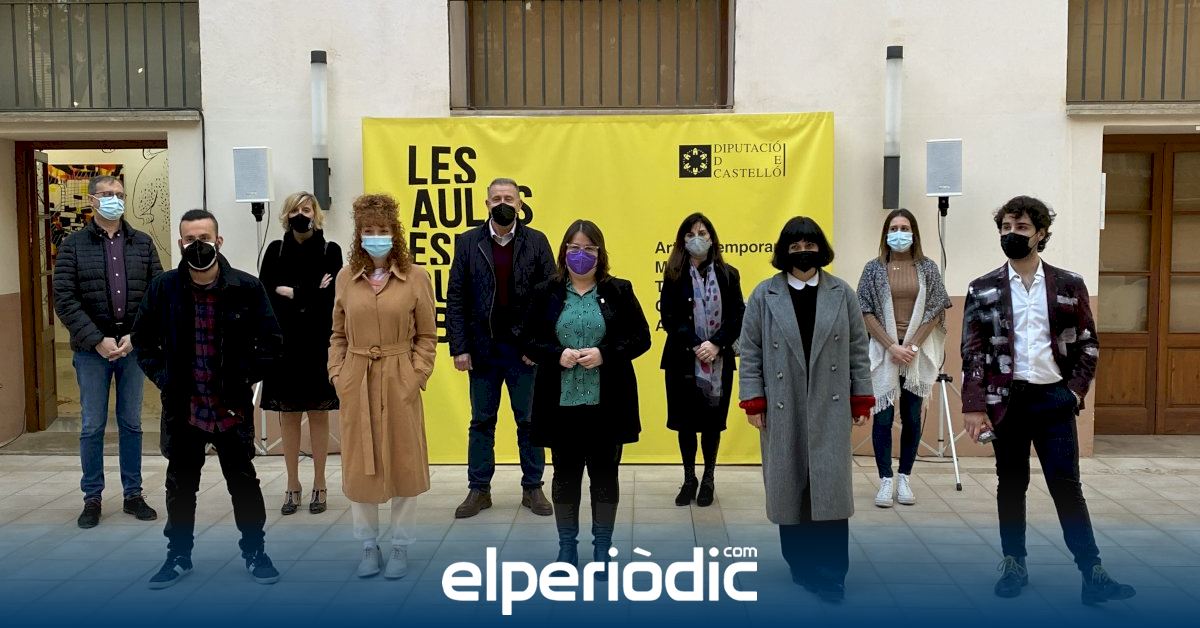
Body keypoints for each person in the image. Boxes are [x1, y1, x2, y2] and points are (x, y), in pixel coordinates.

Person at [961, 196, 1136, 605]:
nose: (1012, 234)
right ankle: (1014, 564)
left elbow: (1088, 343)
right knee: (1011, 484)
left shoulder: (1069, 285)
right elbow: (973, 350)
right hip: (1006, 402)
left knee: (1066, 486)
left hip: (1053, 400)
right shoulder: (982, 288)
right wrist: (974, 405)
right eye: (1006, 227)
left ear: (1040, 233)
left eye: (1021, 228)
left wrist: (1073, 392)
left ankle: (1092, 573)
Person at [133, 209, 282, 589]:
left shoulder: (247, 287)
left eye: (204, 238)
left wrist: (244, 378)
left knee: (244, 483)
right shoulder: (164, 288)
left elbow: (271, 341)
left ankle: (255, 552)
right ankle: (178, 556)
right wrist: (165, 378)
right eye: (190, 239)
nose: (197, 245)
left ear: (219, 241)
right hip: (185, 408)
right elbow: (143, 341)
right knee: (181, 487)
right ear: (180, 243)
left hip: (230, 407)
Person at [737, 216, 873, 603]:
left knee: (829, 489)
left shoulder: (842, 293)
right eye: (794, 246)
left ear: (821, 248)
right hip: (784, 406)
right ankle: (799, 564)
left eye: (809, 245)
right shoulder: (764, 295)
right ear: (784, 252)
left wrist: (861, 396)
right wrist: (753, 399)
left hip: (830, 404)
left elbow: (858, 349)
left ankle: (832, 573)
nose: (803, 252)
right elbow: (750, 351)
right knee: (789, 485)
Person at [522, 220, 651, 571]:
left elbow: (641, 338)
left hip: (606, 404)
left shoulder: (619, 290)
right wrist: (556, 354)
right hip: (560, 404)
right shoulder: (546, 292)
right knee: (565, 476)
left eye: (589, 249)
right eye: (575, 248)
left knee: (605, 475)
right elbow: (528, 339)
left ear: (600, 253)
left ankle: (603, 547)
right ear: (564, 252)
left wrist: (605, 353)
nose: (581, 255)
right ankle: (567, 547)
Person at [328, 194, 437, 580]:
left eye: (383, 230)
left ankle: (401, 545)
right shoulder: (346, 278)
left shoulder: (416, 277)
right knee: (361, 466)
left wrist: (415, 375)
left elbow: (427, 335)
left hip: (398, 376)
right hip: (357, 377)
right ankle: (368, 545)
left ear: (395, 233)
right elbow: (338, 334)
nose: (376, 237)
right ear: (359, 235)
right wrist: (338, 374)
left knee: (403, 462)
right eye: (369, 230)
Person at [53, 175, 161, 529]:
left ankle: (133, 494)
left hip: (131, 348)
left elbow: (156, 294)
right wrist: (97, 339)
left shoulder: (142, 243)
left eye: (119, 194)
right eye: (107, 194)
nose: (114, 199)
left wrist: (136, 335)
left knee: (131, 422)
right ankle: (92, 497)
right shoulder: (73, 245)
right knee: (92, 425)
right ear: (92, 200)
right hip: (91, 350)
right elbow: (64, 298)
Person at [447, 177, 557, 519]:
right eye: (496, 198)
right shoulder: (468, 242)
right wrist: (459, 347)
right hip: (482, 350)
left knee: (529, 421)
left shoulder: (537, 242)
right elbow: (456, 297)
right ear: (487, 204)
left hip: (524, 352)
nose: (503, 204)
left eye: (509, 198)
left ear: (520, 204)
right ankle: (479, 489)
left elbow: (551, 297)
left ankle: (533, 487)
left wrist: (537, 346)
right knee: (481, 421)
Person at [855, 209, 951, 508]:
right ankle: (885, 479)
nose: (899, 233)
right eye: (894, 228)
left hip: (914, 354)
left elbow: (936, 309)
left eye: (905, 228)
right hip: (884, 353)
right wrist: (891, 346)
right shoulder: (873, 268)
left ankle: (905, 477)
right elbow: (864, 310)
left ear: (914, 233)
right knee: (883, 417)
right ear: (886, 233)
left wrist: (912, 346)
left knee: (911, 416)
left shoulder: (927, 267)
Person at [259, 191, 343, 515]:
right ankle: (292, 484)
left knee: (319, 414)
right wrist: (310, 291)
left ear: (316, 214)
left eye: (306, 209)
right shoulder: (275, 250)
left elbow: (330, 299)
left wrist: (293, 292)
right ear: (285, 214)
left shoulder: (330, 251)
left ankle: (320, 483)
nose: (300, 215)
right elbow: (267, 295)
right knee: (289, 416)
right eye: (295, 209)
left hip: (318, 343)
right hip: (284, 345)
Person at [660, 213, 744, 507]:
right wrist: (697, 345)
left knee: (711, 424)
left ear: (712, 238)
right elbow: (669, 317)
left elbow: (737, 315)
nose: (697, 238)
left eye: (703, 233)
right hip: (682, 360)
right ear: (682, 240)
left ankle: (708, 478)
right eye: (691, 234)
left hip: (718, 361)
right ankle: (689, 479)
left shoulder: (729, 274)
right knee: (685, 424)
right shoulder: (674, 273)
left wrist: (716, 344)